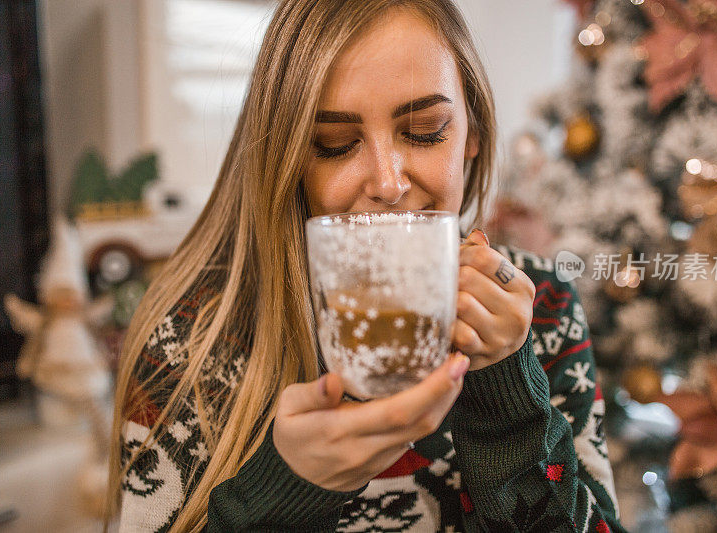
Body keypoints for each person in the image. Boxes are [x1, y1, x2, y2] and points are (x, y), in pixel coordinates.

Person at [109, 0, 623, 531]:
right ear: (287, 158)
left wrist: (507, 394)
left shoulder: (538, 307)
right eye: (334, 144)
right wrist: (284, 492)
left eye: (425, 130)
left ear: (472, 131)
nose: (388, 183)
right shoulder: (194, 338)